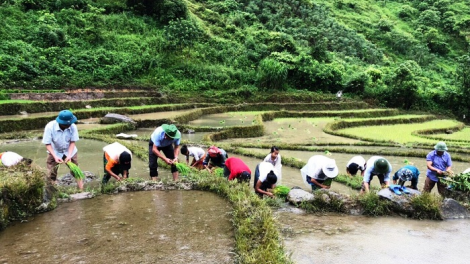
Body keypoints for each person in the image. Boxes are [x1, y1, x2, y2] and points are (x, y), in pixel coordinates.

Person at [42, 110, 83, 190]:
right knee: (51, 173)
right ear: (62, 123)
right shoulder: (50, 127)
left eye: (70, 123)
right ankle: (51, 191)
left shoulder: (73, 126)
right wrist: (55, 156)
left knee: (76, 171)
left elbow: (72, 142)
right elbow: (47, 144)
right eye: (68, 124)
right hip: (54, 150)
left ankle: (81, 190)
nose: (70, 125)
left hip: (69, 150)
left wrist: (69, 155)